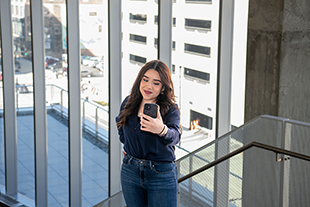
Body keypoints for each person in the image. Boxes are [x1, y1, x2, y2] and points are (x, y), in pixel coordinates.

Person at [116, 60, 181, 207]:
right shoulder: (128, 103)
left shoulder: (170, 110)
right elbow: (120, 126)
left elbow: (175, 137)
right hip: (130, 170)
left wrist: (161, 130)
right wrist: (128, 148)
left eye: (156, 83)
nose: (148, 86)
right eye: (145, 80)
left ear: (163, 88)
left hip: (161, 173)